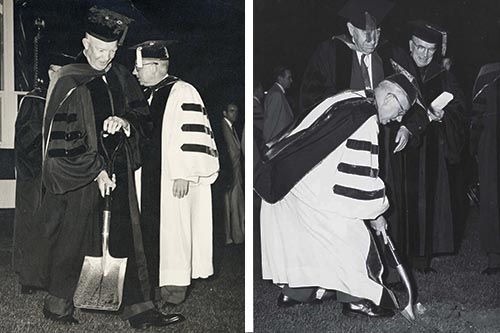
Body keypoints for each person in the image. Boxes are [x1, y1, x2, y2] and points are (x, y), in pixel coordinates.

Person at [41, 7, 183, 328]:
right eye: (99, 50)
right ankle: (58, 305)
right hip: (82, 176)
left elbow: (142, 119)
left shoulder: (120, 77)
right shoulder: (69, 79)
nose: (104, 57)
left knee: (127, 237)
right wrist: (94, 169)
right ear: (85, 43)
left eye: (111, 51)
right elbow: (62, 137)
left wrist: (126, 122)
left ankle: (141, 310)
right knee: (74, 238)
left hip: (119, 172)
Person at [255, 73, 418, 317]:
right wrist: (376, 213)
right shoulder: (365, 119)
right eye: (401, 110)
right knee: (353, 239)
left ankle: (296, 292)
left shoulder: (351, 98)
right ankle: (358, 300)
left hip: (287, 180)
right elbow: (360, 177)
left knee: (306, 240)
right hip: (305, 186)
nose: (400, 118)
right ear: (389, 98)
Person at [298, 0, 429, 267]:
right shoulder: (330, 53)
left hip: (385, 148)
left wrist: (408, 126)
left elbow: (417, 100)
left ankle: (385, 268)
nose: (372, 39)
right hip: (340, 149)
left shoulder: (392, 55)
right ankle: (341, 271)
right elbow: (310, 99)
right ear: (350, 28)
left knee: (382, 204)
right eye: (365, 32)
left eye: (377, 32)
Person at [131, 40, 219, 304]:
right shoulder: (145, 94)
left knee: (175, 232)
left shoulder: (183, 91)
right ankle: (155, 285)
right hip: (148, 177)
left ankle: (174, 289)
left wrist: (185, 174)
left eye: (138, 67)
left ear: (156, 66)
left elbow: (192, 135)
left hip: (174, 179)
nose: (135, 73)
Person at [404, 21, 466, 273]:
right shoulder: (397, 70)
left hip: (430, 148)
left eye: (430, 50)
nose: (424, 54)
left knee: (426, 200)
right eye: (420, 47)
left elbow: (460, 109)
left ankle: (422, 258)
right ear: (410, 45)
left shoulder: (443, 76)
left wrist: (444, 116)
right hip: (402, 147)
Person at [13, 54, 72, 295]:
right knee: (33, 224)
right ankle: (30, 279)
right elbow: (26, 139)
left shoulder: (68, 96)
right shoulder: (35, 99)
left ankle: (50, 275)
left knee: (56, 226)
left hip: (60, 174)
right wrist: (43, 166)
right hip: (36, 175)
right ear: (50, 72)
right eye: (59, 71)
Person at [470, 63, 500, 275]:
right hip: (492, 145)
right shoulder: (488, 72)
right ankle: (495, 258)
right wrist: (475, 147)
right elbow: (476, 116)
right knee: (492, 199)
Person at [221, 103, 245, 245]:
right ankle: (231, 236)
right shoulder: (224, 127)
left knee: (235, 205)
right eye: (231, 111)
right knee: (230, 206)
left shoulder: (231, 127)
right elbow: (231, 152)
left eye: (236, 111)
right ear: (225, 113)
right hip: (230, 174)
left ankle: (236, 235)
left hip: (236, 173)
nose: (234, 114)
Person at [263, 66, 294, 144]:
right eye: (289, 78)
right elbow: (270, 122)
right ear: (280, 79)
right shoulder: (276, 95)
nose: (291, 80)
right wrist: (268, 144)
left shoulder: (277, 93)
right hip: (278, 142)